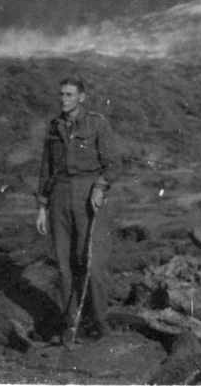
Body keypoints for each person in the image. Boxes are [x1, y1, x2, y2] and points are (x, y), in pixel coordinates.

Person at [35, 77, 120, 347]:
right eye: (61, 94)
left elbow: (113, 164)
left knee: (93, 264)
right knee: (64, 267)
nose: (63, 99)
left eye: (70, 94)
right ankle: (71, 324)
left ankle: (101, 323)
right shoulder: (54, 127)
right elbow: (46, 169)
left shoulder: (97, 124)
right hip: (59, 196)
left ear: (82, 97)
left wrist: (99, 187)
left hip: (88, 195)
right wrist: (41, 206)